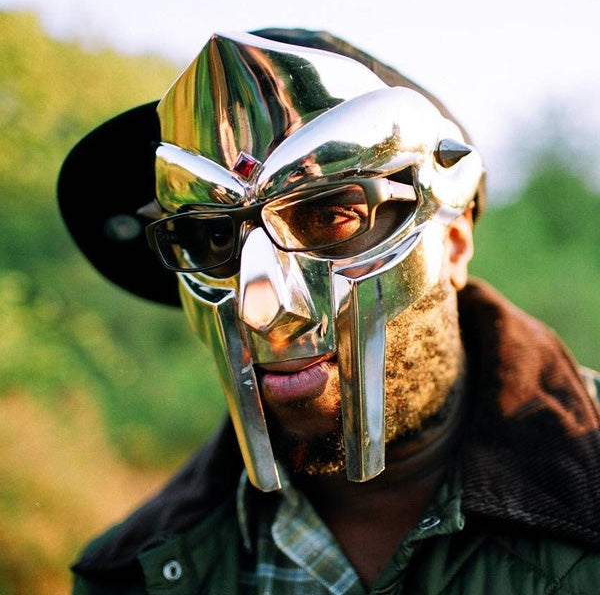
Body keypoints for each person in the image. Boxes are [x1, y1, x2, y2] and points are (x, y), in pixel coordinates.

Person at [58, 29, 600, 595]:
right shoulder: (130, 576)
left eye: (331, 216)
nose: (264, 311)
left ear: (456, 241)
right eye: (215, 237)